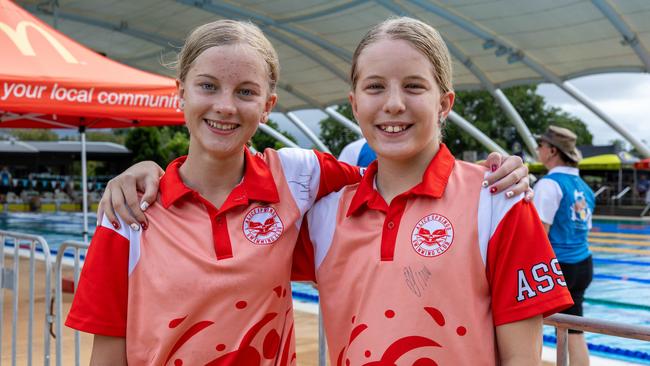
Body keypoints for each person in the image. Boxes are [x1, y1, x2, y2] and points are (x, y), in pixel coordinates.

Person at [67, 19, 529, 365]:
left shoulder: (300, 179)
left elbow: (391, 176)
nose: (225, 106)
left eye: (246, 92)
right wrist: (138, 171)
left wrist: (497, 176)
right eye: (208, 86)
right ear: (181, 92)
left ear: (268, 105)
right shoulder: (130, 210)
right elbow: (105, 350)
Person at [292, 18, 574, 365]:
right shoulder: (324, 215)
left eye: (413, 86)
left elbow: (522, 359)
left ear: (444, 104)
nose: (393, 103)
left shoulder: (498, 201)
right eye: (375, 87)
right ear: (354, 104)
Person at [533, 125, 595, 366]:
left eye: (540, 146)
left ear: (551, 151)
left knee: (529, 326)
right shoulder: (584, 188)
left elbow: (538, 235)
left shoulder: (549, 184)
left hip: (558, 267)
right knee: (574, 328)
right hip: (583, 264)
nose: (538, 150)